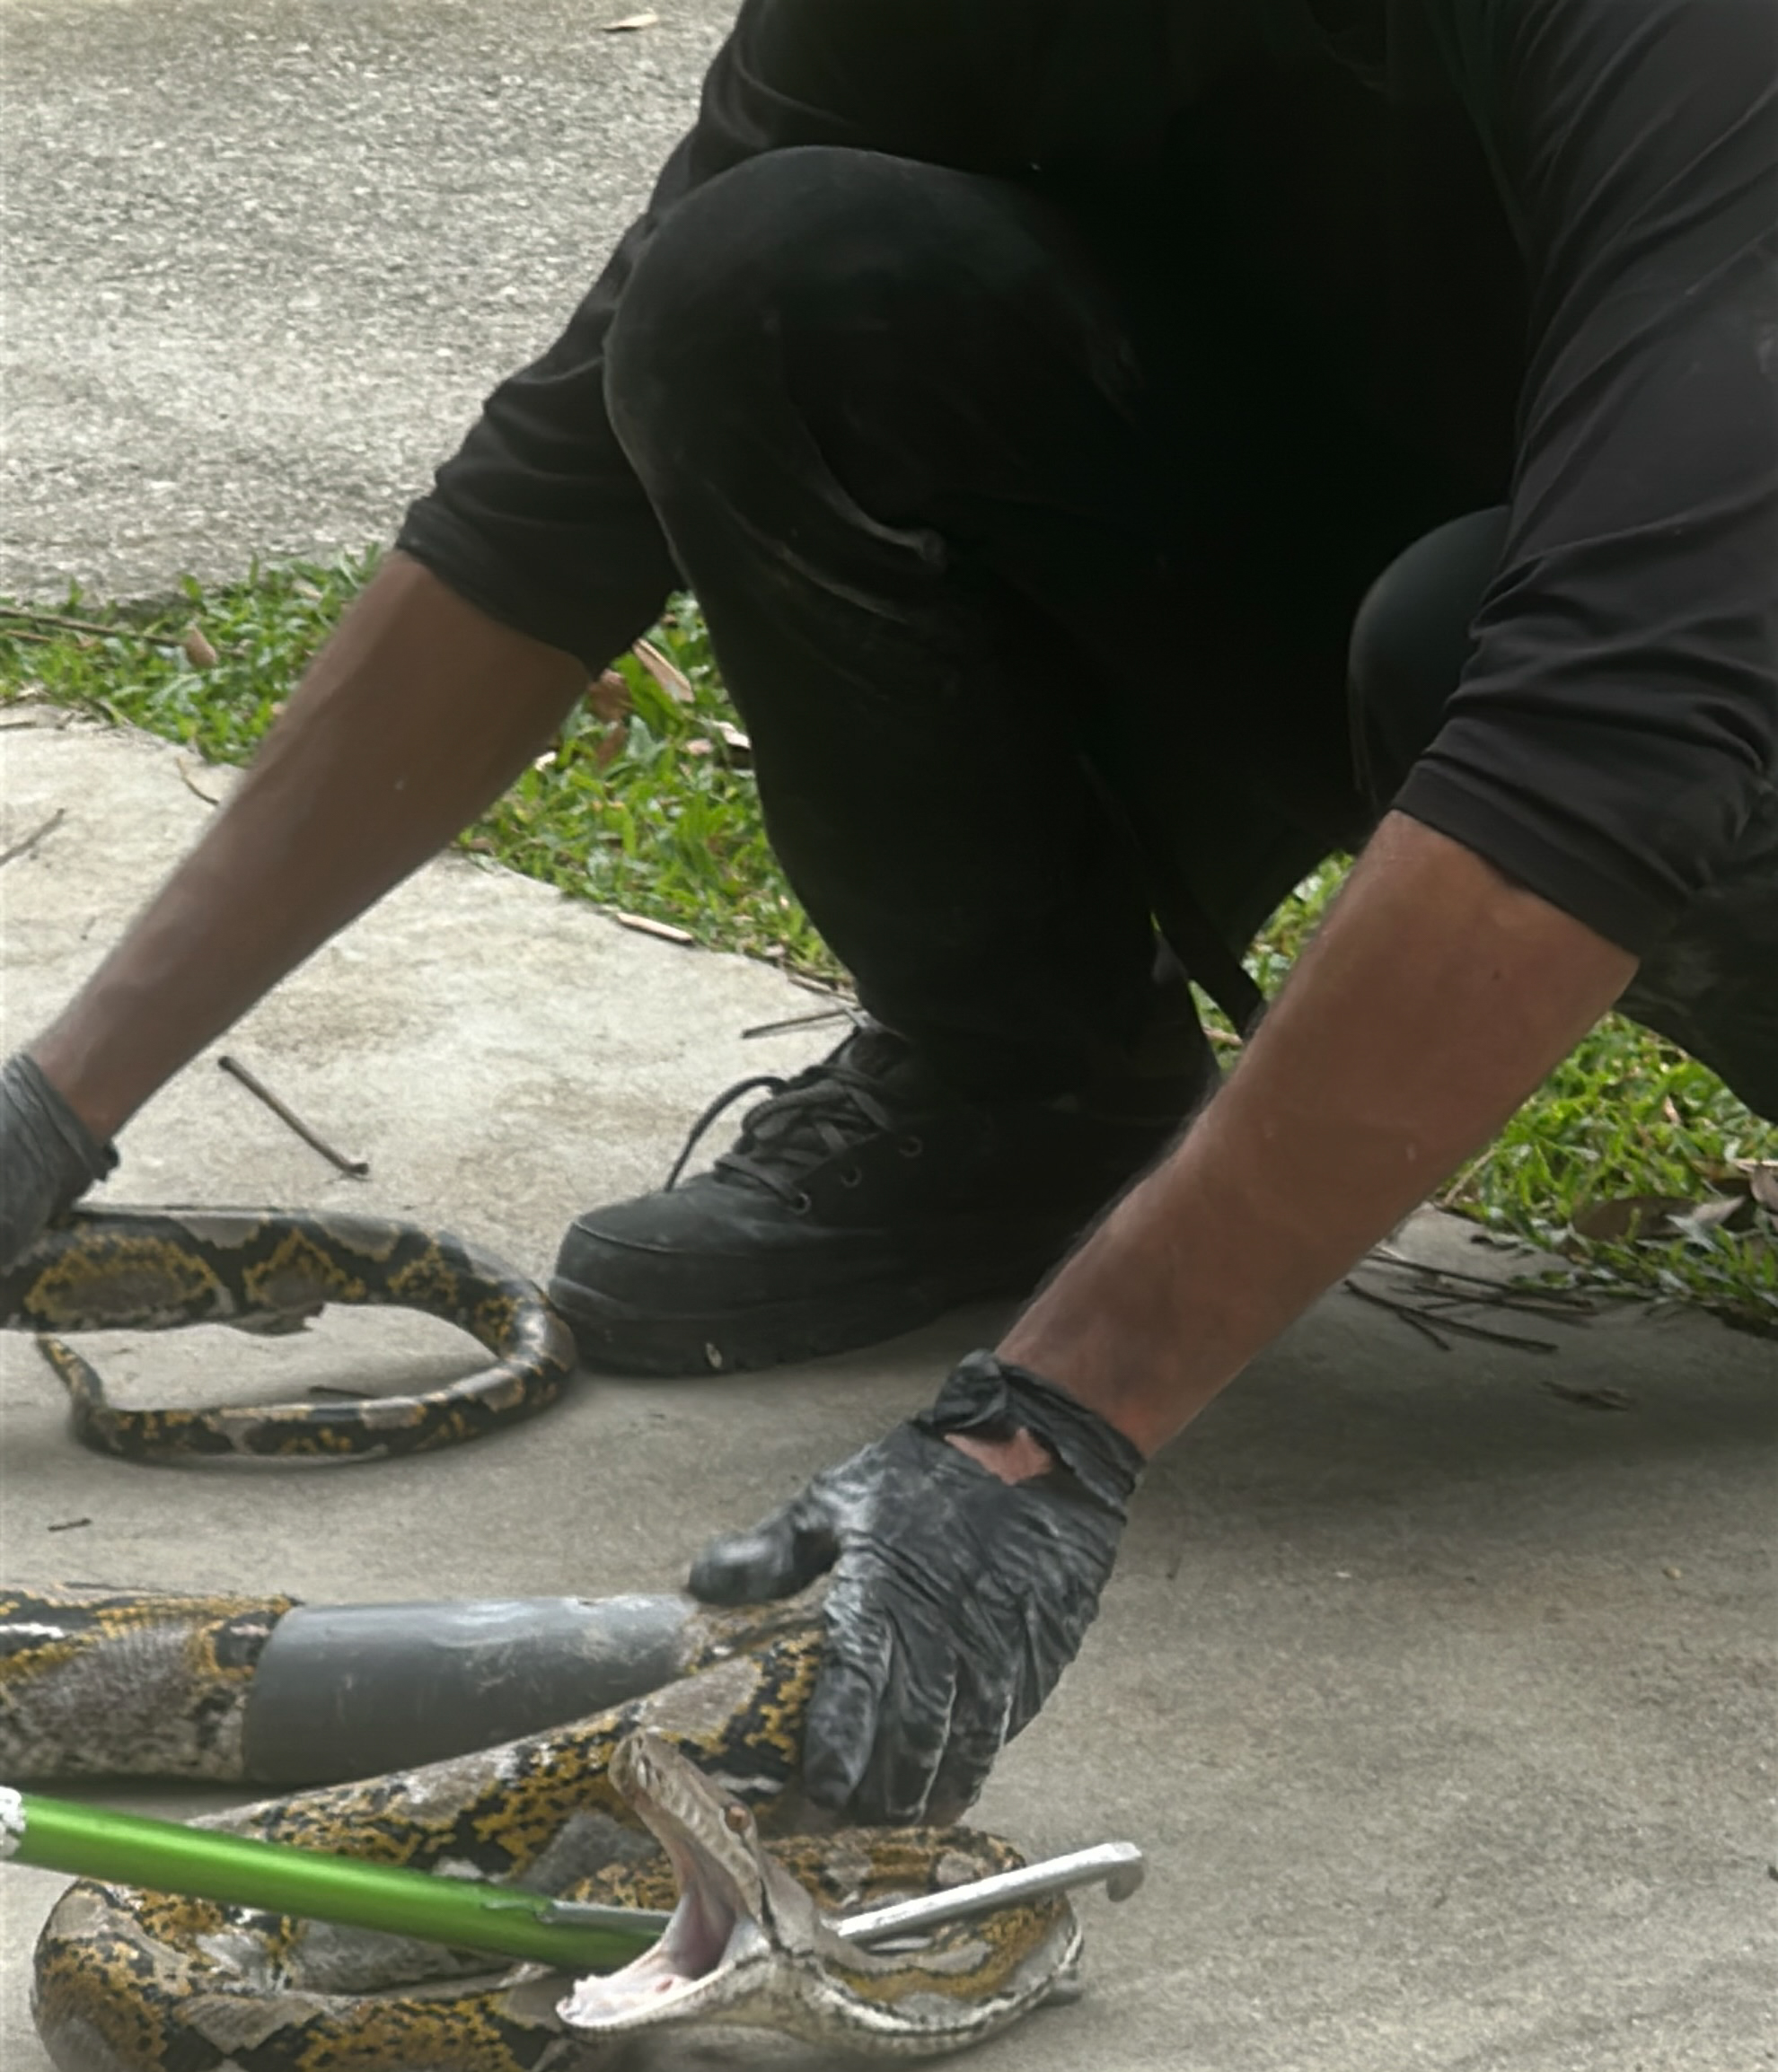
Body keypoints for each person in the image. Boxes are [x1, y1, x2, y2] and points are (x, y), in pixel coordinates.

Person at [4, 0, 1773, 1820]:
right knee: (765, 287)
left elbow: (1617, 725)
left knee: (1476, 637)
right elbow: (553, 499)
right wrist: (55, 1105)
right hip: (1490, 553)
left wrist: (1051, 1427)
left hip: (1673, 635)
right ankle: (1023, 1096)